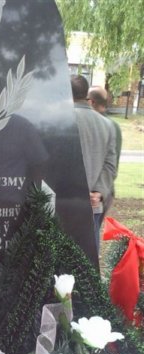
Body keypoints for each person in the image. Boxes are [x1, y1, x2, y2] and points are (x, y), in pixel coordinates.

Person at [70, 75, 117, 254]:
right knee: (88, 261)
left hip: (64, 203)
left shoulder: (61, 121)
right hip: (93, 203)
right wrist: (98, 192)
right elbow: (110, 165)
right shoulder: (108, 125)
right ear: (86, 96)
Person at [87, 85, 122, 215]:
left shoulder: (109, 125)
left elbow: (111, 163)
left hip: (101, 192)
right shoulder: (110, 125)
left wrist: (98, 192)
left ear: (91, 101)